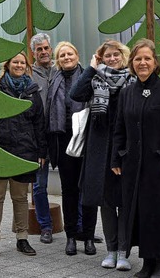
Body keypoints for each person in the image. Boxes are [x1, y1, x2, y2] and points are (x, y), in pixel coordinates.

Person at [111, 39, 160, 278]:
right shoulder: (127, 93)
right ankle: (147, 263)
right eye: (138, 59)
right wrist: (115, 159)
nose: (142, 62)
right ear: (132, 64)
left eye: (147, 58)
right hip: (133, 166)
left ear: (155, 63)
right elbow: (119, 128)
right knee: (140, 213)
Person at [69, 39, 135, 271]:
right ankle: (110, 250)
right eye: (107, 55)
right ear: (101, 58)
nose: (113, 58)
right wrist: (91, 68)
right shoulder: (95, 78)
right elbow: (76, 94)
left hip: (125, 150)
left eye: (116, 54)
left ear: (123, 56)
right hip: (100, 151)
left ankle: (123, 252)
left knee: (125, 204)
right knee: (106, 204)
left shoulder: (133, 79)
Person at [0, 52, 46, 258]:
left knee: (21, 197)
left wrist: (41, 151)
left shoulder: (32, 90)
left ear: (27, 66)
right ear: (7, 64)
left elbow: (39, 124)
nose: (19, 65)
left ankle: (22, 238)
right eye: (15, 61)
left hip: (24, 151)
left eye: (22, 62)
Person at [47, 41, 98, 256]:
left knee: (88, 191)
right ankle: (71, 237)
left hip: (87, 139)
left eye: (70, 53)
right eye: (62, 55)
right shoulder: (54, 80)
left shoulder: (90, 76)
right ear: (58, 60)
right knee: (69, 192)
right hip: (64, 140)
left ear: (77, 55)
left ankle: (88, 237)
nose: (66, 57)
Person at [29, 33, 56, 244]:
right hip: (38, 138)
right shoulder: (29, 75)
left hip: (61, 136)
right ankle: (45, 226)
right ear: (34, 53)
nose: (44, 52)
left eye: (46, 48)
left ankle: (83, 227)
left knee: (76, 183)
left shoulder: (60, 70)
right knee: (39, 185)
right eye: (39, 49)